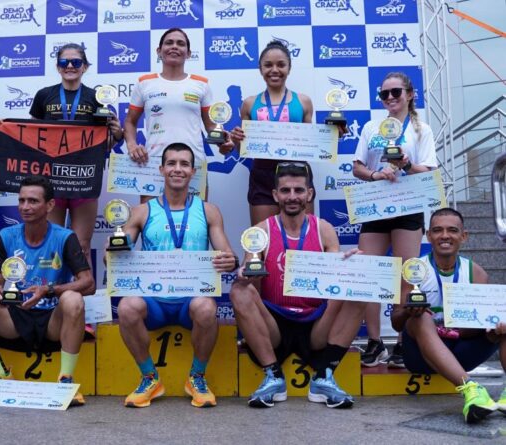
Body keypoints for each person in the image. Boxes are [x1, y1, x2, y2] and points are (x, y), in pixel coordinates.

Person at [229, 161, 365, 408]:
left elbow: (335, 277)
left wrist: (350, 265)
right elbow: (250, 268)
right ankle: (273, 376)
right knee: (240, 291)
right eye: (285, 190)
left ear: (309, 194)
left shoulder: (324, 229)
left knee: (360, 288)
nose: (292, 197)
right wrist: (245, 274)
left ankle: (324, 377)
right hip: (274, 326)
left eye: (299, 190)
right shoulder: (261, 230)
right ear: (275, 195)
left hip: (315, 324)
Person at [114, 143, 238, 408]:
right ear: (161, 169)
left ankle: (196, 377)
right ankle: (150, 378)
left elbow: (227, 254)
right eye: (171, 163)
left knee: (207, 308)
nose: (177, 169)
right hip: (153, 301)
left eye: (184, 164)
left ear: (193, 171)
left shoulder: (209, 210)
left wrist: (230, 260)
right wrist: (112, 249)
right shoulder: (141, 211)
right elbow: (114, 255)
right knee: (126, 307)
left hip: (190, 301)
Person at [0, 175, 95, 406]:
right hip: (15, 316)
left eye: (33, 201)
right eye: (21, 200)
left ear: (49, 205)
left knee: (73, 299)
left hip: (53, 319)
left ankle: (66, 381)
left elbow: (88, 283)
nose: (25, 207)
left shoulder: (65, 237)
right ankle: (0, 373)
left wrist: (49, 290)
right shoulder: (6, 236)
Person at [352, 72, 437, 367]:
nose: (390, 98)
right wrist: (376, 174)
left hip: (408, 204)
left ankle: (402, 342)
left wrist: (406, 164)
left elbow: (429, 170)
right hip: (375, 205)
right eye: (384, 94)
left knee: (405, 276)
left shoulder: (421, 129)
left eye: (396, 92)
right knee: (370, 275)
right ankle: (375, 342)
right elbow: (357, 168)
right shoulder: (371, 127)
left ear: (410, 94)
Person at [391, 208, 506, 424]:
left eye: (452, 230)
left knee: (503, 323)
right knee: (421, 318)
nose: (445, 236)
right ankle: (470, 389)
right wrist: (408, 310)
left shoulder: (476, 273)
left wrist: (493, 328)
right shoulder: (414, 270)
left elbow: (480, 325)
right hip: (420, 355)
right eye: (438, 230)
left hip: (462, 349)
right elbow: (396, 323)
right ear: (428, 236)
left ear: (464, 236)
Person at [29, 43, 123, 265]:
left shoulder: (96, 97)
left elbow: (103, 145)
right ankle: (55, 288)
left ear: (85, 67)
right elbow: (32, 137)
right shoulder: (44, 95)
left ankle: (84, 289)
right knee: (53, 246)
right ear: (58, 67)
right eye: (64, 62)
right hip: (52, 179)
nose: (70, 66)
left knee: (81, 245)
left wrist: (117, 135)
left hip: (84, 179)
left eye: (76, 62)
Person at [123, 28, 232, 199]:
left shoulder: (201, 84)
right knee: (151, 216)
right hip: (153, 163)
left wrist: (222, 142)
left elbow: (211, 126)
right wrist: (131, 145)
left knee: (195, 216)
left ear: (188, 53)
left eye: (180, 44)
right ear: (159, 51)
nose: (174, 46)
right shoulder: (144, 83)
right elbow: (130, 121)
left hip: (193, 164)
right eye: (169, 43)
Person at [230, 40, 316, 224]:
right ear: (260, 69)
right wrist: (237, 141)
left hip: (297, 173)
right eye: (268, 65)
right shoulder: (249, 104)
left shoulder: (303, 101)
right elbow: (243, 149)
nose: (274, 70)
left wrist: (332, 135)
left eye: (281, 65)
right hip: (263, 174)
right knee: (262, 236)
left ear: (289, 68)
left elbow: (311, 145)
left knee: (303, 235)